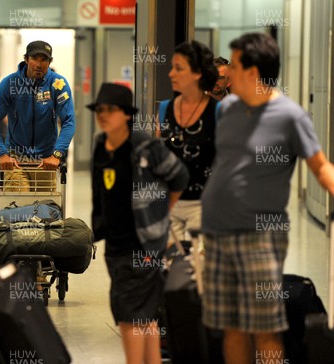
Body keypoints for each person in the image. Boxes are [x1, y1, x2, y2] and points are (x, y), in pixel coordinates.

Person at [201, 32, 334, 363]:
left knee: (264, 328)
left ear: (254, 72)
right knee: (231, 327)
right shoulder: (228, 108)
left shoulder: (290, 115)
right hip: (217, 233)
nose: (227, 73)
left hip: (260, 236)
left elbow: (320, 167)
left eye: (234, 65)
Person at [90, 83, 189, 364]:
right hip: (115, 242)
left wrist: (161, 210)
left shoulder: (145, 145)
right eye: (100, 109)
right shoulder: (101, 144)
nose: (103, 115)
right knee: (145, 314)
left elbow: (179, 176)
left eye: (111, 110)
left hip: (143, 242)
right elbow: (100, 190)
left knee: (129, 315)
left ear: (127, 115)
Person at [0, 40, 75, 191]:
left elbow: (69, 121)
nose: (39, 64)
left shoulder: (58, 84)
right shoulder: (10, 84)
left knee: (44, 210)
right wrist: (1, 154)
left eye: (44, 59)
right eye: (34, 58)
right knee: (20, 207)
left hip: (46, 160)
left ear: (50, 61)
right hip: (16, 160)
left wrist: (57, 155)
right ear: (26, 59)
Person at [159, 41, 219, 245]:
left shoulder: (218, 111)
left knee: (199, 272)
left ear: (198, 73)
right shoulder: (164, 109)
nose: (171, 74)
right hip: (170, 204)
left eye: (179, 68)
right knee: (167, 271)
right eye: (171, 67)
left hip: (204, 205)